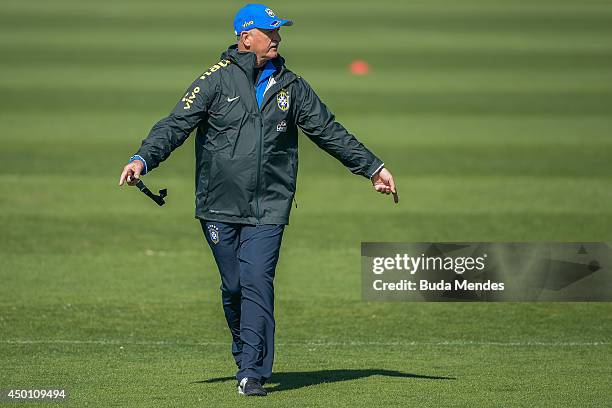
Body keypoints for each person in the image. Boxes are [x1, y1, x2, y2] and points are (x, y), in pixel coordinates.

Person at [118, 4, 398, 397]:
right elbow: (176, 123)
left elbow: (329, 132)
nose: (279, 39)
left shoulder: (292, 86)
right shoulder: (214, 81)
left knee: (256, 281)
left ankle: (252, 370)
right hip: (218, 204)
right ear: (246, 37)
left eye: (279, 32)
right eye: (272, 32)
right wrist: (142, 159)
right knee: (233, 285)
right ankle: (244, 347)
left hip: (270, 204)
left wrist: (373, 168)